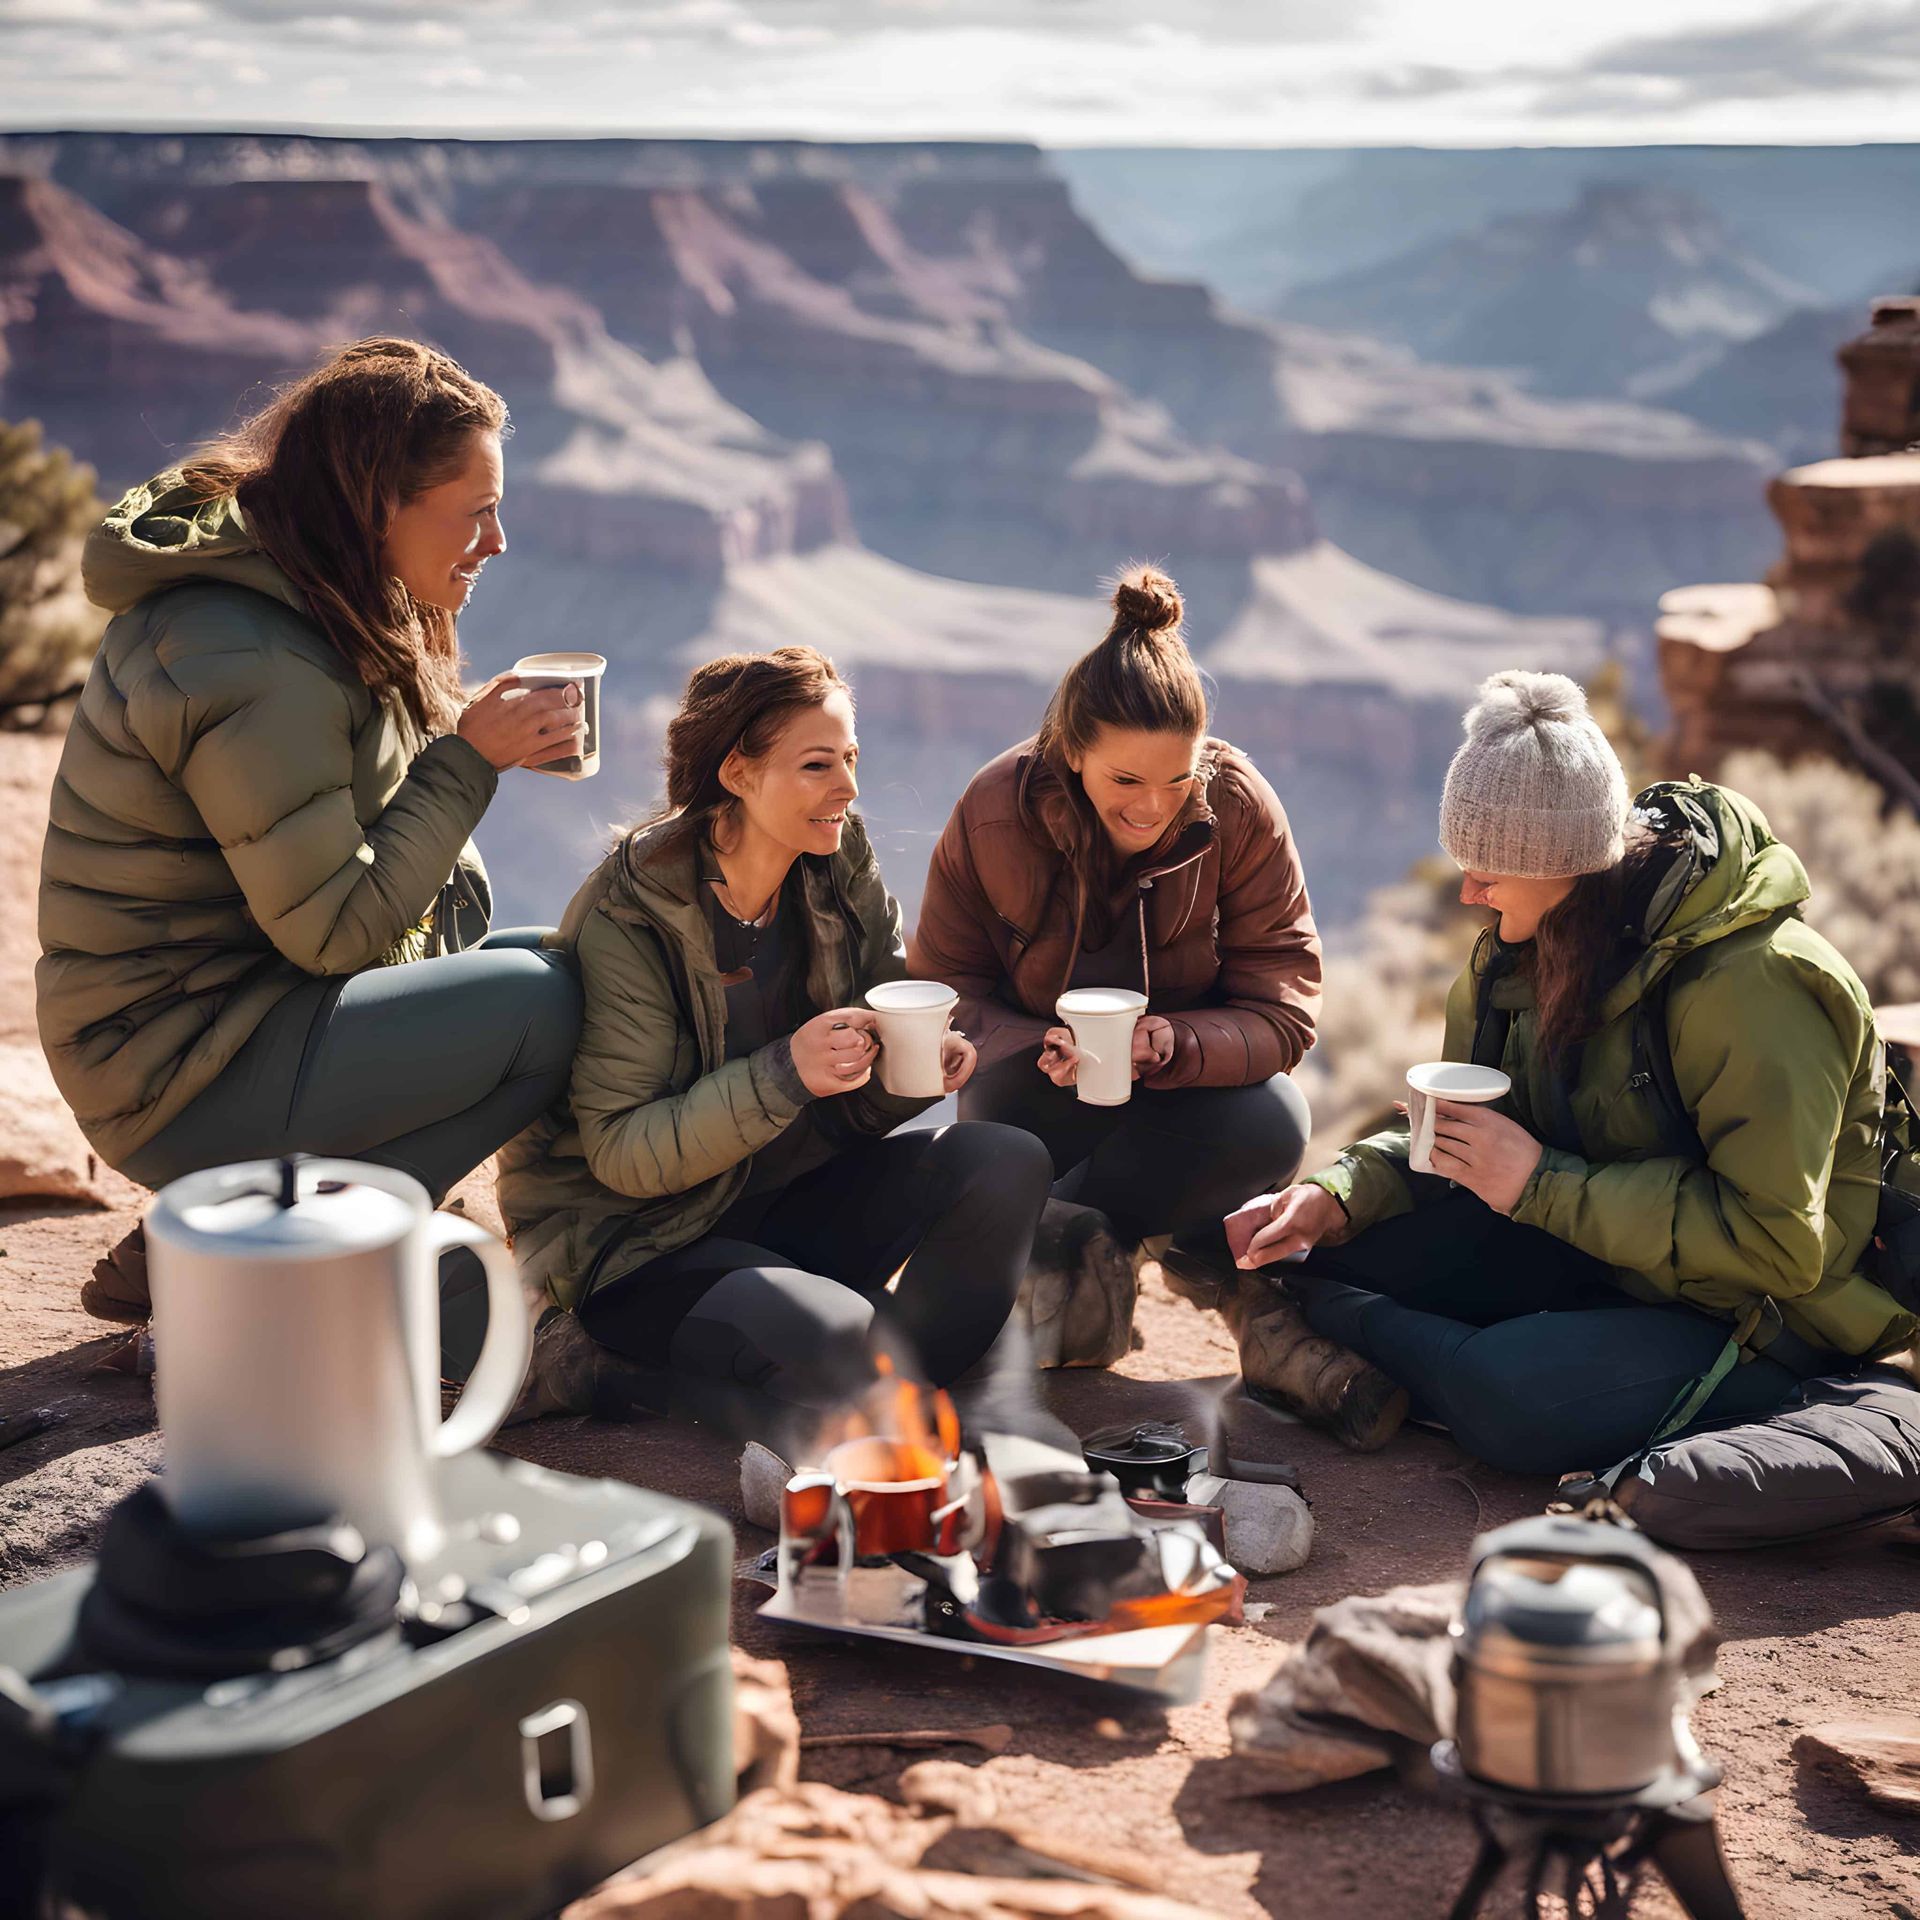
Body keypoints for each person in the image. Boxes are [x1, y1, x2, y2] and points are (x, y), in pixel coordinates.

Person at [1223, 670, 1918, 1476]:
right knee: (1323, 1250)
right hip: (1608, 1256)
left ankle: (1328, 1332)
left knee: (1510, 1398)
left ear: (1570, 865)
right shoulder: (1518, 956)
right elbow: (1454, 1135)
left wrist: (1539, 1187)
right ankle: (1340, 1321)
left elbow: (1777, 1247)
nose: (1468, 889)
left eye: (1490, 866)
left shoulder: (1751, 985)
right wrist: (1335, 1197)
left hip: (1765, 1319)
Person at [37, 338, 585, 1318]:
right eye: (476, 510)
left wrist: (464, 742)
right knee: (546, 1009)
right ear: (379, 506)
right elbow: (331, 930)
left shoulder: (322, 598)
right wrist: (468, 762)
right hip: (175, 1070)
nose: (498, 540)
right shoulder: (240, 647)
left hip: (241, 1020)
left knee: (558, 963)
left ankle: (235, 1241)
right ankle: (271, 1258)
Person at [495, 645, 1053, 1447]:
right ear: (737, 773)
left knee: (1008, 1163)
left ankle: (872, 1402)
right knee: (842, 1340)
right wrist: (787, 1071)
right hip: (644, 1244)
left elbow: (859, 1083)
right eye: (818, 765)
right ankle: (598, 1367)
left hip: (786, 1199)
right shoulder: (632, 915)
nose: (849, 789)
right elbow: (621, 1152)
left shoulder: (833, 860)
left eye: (852, 760)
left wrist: (911, 1066)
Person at [908, 565, 1399, 1437]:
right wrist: (1037, 1043)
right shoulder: (994, 811)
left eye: (1176, 782)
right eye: (1125, 782)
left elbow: (1284, 1006)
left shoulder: (1237, 807)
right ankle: (1058, 1239)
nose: (1155, 808)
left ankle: (1103, 1239)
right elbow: (945, 991)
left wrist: (1174, 1044)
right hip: (1036, 1098)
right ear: (1070, 751)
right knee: (998, 1140)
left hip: (1176, 1103)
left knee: (1275, 1122)